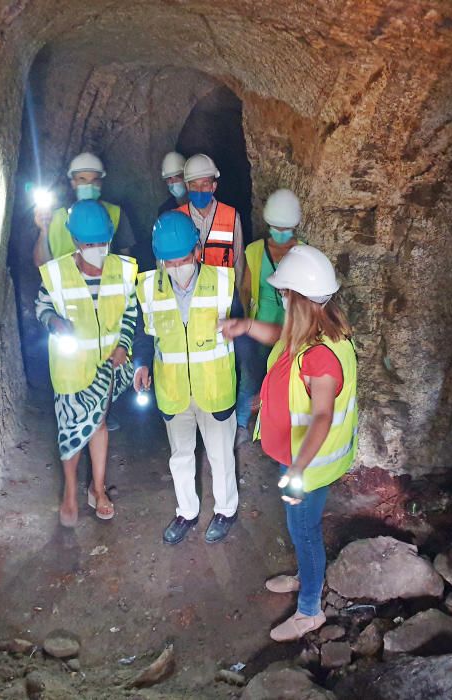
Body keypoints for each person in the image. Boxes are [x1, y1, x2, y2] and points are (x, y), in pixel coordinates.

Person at [219, 245, 357, 642]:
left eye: (284, 293)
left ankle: (310, 611)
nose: (280, 298)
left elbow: (322, 416)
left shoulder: (322, 358)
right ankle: (305, 576)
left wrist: (297, 470)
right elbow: (279, 339)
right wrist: (245, 327)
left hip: (308, 466)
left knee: (305, 531)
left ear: (298, 299)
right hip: (296, 459)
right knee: (301, 530)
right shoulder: (311, 333)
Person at [133, 211, 240, 545]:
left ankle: (225, 510)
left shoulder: (223, 282)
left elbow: (242, 333)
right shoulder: (149, 288)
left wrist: (247, 385)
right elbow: (144, 333)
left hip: (215, 386)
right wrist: (141, 364)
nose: (176, 268)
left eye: (182, 259)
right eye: (168, 262)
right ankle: (186, 512)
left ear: (197, 252)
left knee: (221, 454)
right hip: (174, 388)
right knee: (180, 456)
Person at [35, 200, 139, 527]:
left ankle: (97, 488)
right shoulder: (57, 274)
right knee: (70, 431)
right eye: (90, 244)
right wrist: (54, 322)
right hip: (70, 367)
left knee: (98, 424)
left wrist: (123, 344)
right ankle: (69, 492)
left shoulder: (122, 269)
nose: (97, 249)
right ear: (77, 242)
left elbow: (131, 312)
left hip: (107, 363)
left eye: (102, 242)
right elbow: (41, 308)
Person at [234, 188, 302, 448]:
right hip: (260, 326)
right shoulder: (254, 251)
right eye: (276, 227)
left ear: (295, 225)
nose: (281, 232)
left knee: (286, 383)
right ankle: (241, 424)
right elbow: (246, 290)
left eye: (286, 228)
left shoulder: (303, 252)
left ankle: (278, 433)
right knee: (251, 377)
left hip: (291, 329)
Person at [33, 152, 135, 267]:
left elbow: (127, 261)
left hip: (103, 282)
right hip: (61, 283)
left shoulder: (116, 213)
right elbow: (41, 264)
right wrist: (44, 231)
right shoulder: (52, 216)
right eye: (82, 179)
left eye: (94, 180)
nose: (89, 185)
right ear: (73, 183)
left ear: (101, 183)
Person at [174, 154, 245, 285]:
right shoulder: (176, 218)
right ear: (187, 187)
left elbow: (239, 264)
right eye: (194, 185)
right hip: (191, 298)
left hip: (223, 298)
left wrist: (238, 299)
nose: (199, 190)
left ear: (213, 186)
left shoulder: (231, 216)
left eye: (205, 184)